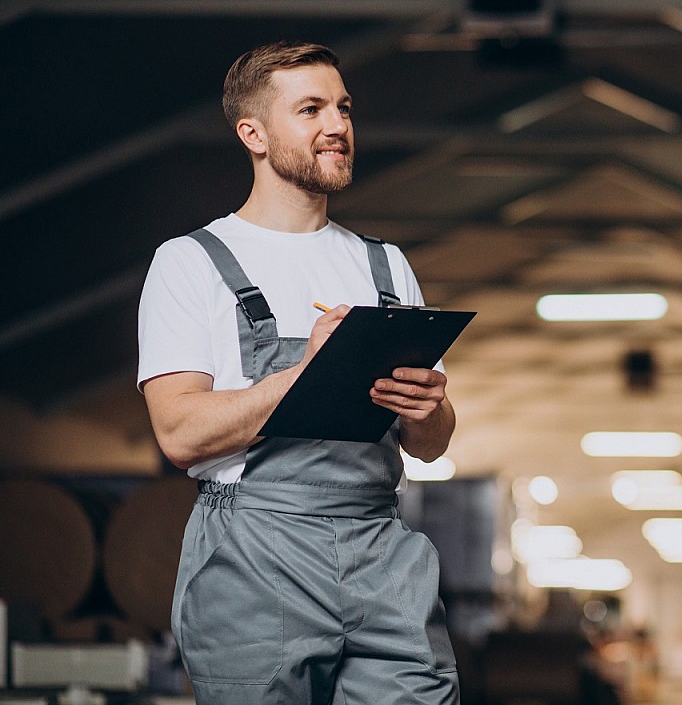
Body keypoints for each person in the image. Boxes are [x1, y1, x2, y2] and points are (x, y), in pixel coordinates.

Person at [137, 40, 459, 704]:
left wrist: (431, 411)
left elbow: (429, 444)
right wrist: (310, 372)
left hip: (378, 542)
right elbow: (179, 433)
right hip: (254, 553)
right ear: (252, 133)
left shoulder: (385, 265)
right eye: (309, 109)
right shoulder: (191, 262)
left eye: (342, 108)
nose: (337, 126)